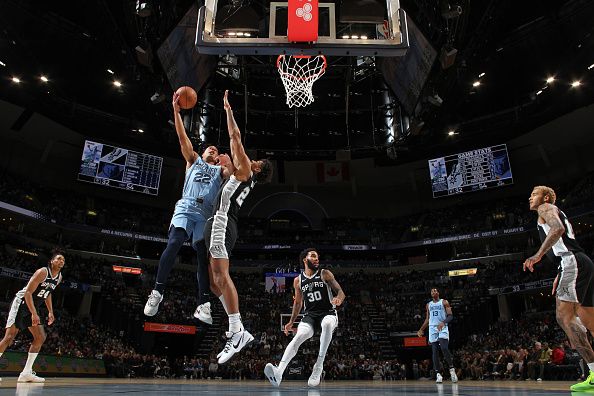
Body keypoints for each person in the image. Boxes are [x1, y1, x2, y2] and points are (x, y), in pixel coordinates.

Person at [144, 92, 232, 323]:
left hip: (205, 214)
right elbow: (183, 138)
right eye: (209, 148)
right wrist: (176, 111)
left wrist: (227, 159)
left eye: (215, 150)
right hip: (186, 207)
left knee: (202, 257)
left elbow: (233, 174)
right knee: (173, 244)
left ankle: (203, 304)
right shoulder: (193, 160)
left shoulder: (220, 171)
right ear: (202, 153)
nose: (212, 150)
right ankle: (157, 292)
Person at [205, 90, 274, 364]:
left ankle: (237, 330)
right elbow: (224, 163)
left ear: (258, 168)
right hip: (219, 222)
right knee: (213, 283)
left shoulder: (246, 169)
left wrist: (228, 110)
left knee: (221, 277)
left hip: (223, 222)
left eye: (258, 161)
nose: (252, 159)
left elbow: (235, 138)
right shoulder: (237, 174)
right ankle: (238, 329)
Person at [523, 185, 594, 391]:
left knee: (564, 317)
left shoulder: (545, 207)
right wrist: (560, 272)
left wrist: (538, 255)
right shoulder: (551, 211)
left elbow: (558, 230)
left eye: (534, 194)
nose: (530, 197)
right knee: (589, 321)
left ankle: (593, 371)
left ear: (545, 197)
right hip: (579, 263)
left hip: (572, 262)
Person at [264, 248, 346, 387]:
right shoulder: (298, 280)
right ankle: (279, 373)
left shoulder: (324, 273)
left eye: (317, 257)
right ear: (305, 259)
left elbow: (340, 291)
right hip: (310, 316)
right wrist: (290, 322)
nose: (316, 259)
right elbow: (298, 303)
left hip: (328, 313)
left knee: (326, 325)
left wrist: (338, 298)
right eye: (313, 256)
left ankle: (318, 367)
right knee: (299, 336)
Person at [0, 249, 65, 383]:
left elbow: (48, 293)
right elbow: (28, 293)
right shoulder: (42, 272)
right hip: (22, 302)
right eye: (58, 259)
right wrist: (34, 313)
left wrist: (50, 311)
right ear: (51, 261)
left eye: (63, 260)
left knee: (40, 337)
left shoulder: (59, 278)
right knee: (9, 337)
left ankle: (26, 373)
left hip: (33, 306)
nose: (61, 261)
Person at [417, 288, 458, 383]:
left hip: (442, 326)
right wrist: (421, 329)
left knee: (444, 348)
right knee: (434, 352)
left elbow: (450, 316)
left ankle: (452, 369)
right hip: (432, 328)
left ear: (438, 293)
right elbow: (428, 319)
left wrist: (443, 323)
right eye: (432, 291)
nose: (433, 292)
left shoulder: (444, 302)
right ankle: (438, 374)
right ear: (431, 294)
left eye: (435, 291)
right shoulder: (428, 305)